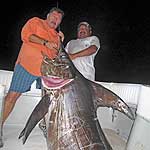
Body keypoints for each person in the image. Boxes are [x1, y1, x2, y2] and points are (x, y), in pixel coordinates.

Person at [0, 7, 64, 147]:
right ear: (47, 16)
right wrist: (45, 42)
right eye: (53, 16)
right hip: (27, 65)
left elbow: (59, 58)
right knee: (12, 96)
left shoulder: (57, 36)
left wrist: (61, 43)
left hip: (46, 72)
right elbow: (26, 35)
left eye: (58, 19)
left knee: (50, 102)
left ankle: (45, 126)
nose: (55, 19)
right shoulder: (36, 22)